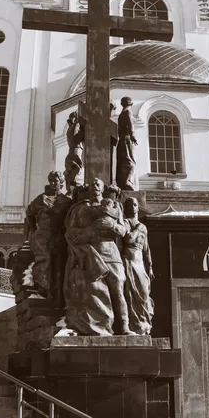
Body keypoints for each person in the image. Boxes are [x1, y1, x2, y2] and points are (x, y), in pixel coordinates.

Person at [64, 177, 134, 336]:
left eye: (98, 184)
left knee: (118, 289)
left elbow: (123, 231)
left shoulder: (115, 207)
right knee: (94, 290)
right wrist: (85, 234)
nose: (95, 186)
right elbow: (69, 231)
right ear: (88, 189)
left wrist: (113, 226)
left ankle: (124, 327)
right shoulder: (79, 209)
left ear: (102, 189)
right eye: (92, 184)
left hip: (111, 253)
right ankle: (101, 327)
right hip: (91, 254)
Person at [24, 171, 72, 307]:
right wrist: (34, 230)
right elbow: (29, 213)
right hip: (43, 237)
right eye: (50, 181)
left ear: (61, 183)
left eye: (55, 181)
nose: (52, 184)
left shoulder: (67, 201)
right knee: (45, 264)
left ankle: (57, 297)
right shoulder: (42, 198)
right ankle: (44, 291)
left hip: (59, 237)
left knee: (58, 267)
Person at [122, 197, 154, 335]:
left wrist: (150, 266)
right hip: (129, 260)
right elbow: (128, 239)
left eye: (135, 204)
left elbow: (146, 249)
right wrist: (138, 229)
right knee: (131, 294)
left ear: (138, 207)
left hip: (140, 262)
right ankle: (134, 325)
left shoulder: (143, 227)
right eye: (129, 205)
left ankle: (144, 323)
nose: (132, 207)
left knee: (143, 292)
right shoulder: (125, 222)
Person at [116, 96, 138, 190]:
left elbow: (119, 129)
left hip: (122, 139)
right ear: (131, 104)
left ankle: (123, 182)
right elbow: (130, 124)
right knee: (130, 160)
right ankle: (127, 181)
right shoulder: (128, 112)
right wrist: (132, 135)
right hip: (127, 138)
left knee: (123, 160)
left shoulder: (121, 114)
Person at [63, 111, 84, 195]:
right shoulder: (76, 124)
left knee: (71, 170)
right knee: (78, 169)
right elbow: (76, 137)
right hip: (77, 149)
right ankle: (76, 189)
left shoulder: (69, 127)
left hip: (71, 151)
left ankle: (70, 189)